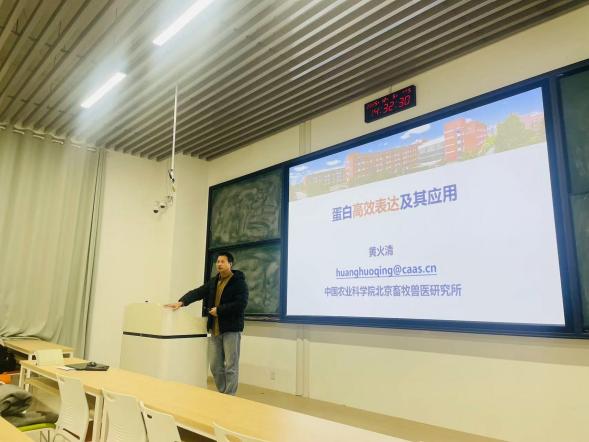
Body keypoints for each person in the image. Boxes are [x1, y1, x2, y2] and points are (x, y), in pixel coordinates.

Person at [165, 252, 248, 395]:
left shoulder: (238, 282)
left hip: (231, 329)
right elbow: (198, 292)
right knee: (215, 366)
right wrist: (182, 302)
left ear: (230, 264)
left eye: (222, 261)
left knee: (231, 366)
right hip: (215, 329)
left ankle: (229, 397)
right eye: (218, 261)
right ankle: (223, 393)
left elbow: (241, 304)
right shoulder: (214, 282)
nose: (219, 264)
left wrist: (220, 310)